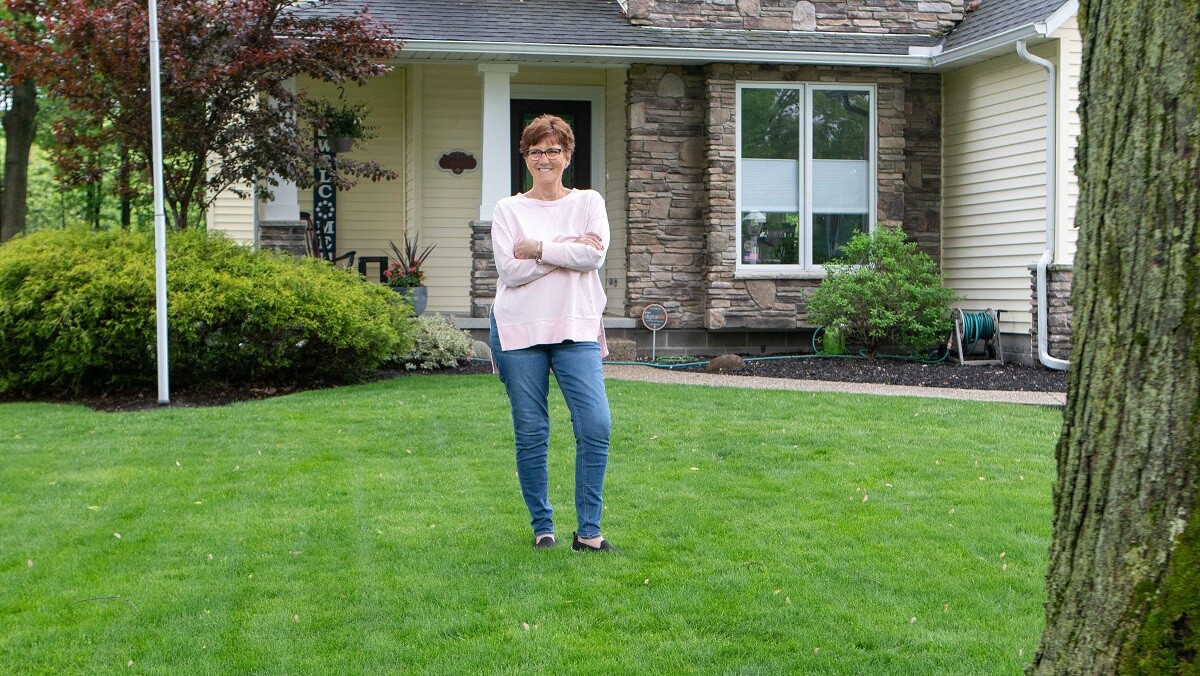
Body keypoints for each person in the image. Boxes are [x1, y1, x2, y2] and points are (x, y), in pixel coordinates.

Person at [488, 114, 619, 553]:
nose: (545, 158)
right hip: (518, 328)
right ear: (525, 158)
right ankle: (543, 526)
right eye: (536, 151)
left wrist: (541, 247)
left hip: (575, 325)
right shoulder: (508, 209)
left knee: (596, 424)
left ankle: (589, 532)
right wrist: (569, 248)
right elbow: (509, 269)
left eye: (554, 150)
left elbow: (595, 258)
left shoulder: (588, 202)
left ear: (567, 156)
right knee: (531, 430)